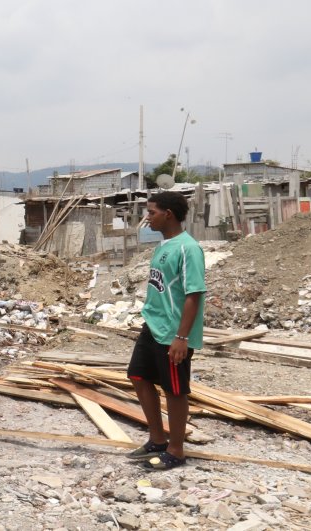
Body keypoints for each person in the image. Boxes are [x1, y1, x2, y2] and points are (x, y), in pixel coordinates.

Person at [125, 191, 205, 471]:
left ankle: (176, 449)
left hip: (173, 332)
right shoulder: (163, 247)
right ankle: (157, 439)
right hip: (153, 326)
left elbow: (194, 294)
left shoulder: (188, 248)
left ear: (168, 214)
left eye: (152, 212)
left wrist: (182, 337)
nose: (147, 218)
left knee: (174, 390)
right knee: (137, 375)